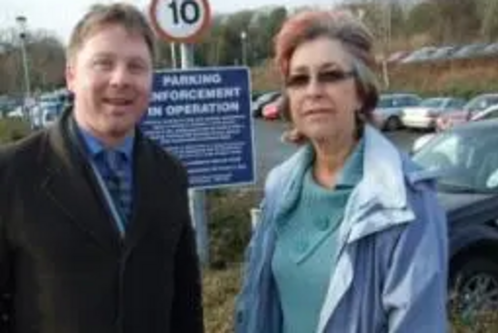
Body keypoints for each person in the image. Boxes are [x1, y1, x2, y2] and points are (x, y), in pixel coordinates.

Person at [236, 10, 448, 333]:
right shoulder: (280, 187)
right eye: (298, 79)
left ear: (361, 91)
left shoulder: (407, 199)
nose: (313, 91)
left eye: (331, 75)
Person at [0, 3, 204, 333]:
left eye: (136, 66)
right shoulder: (12, 173)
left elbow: (185, 304)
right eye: (103, 63)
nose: (120, 79)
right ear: (71, 76)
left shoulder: (170, 174)